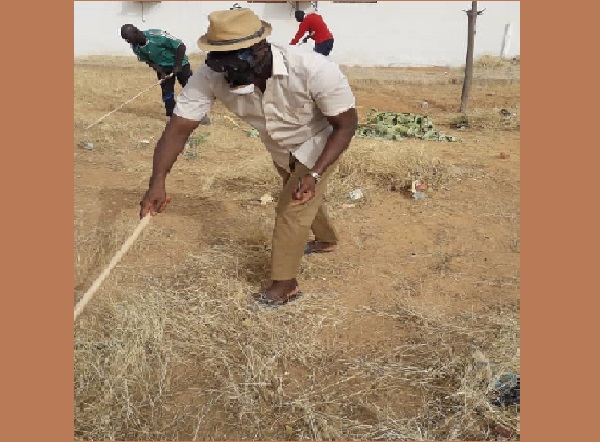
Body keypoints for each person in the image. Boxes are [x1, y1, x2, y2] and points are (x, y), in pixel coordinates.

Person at [139, 8, 358, 307]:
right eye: (220, 59)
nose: (227, 70)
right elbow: (178, 129)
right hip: (280, 149)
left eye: (235, 59)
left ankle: (285, 285)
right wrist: (158, 181)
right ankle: (327, 240)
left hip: (320, 144)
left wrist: (316, 172)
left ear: (260, 48)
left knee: (291, 207)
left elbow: (346, 125)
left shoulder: (313, 69)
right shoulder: (211, 74)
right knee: (303, 195)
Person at [120, 24, 210, 125]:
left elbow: (180, 46)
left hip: (180, 63)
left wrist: (178, 65)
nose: (128, 41)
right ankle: (171, 116)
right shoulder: (136, 47)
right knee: (167, 93)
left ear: (136, 32)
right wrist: (160, 71)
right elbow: (148, 60)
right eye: (125, 39)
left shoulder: (157, 36)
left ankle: (200, 115)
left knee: (190, 89)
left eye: (128, 38)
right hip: (163, 68)